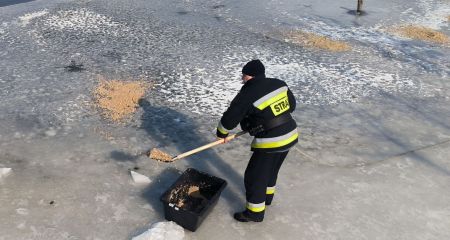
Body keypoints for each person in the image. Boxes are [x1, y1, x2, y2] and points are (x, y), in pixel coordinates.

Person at [216, 59, 298, 222]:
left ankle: (255, 212)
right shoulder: (279, 83)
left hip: (271, 141)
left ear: (250, 76)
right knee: (271, 169)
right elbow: (292, 106)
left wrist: (221, 133)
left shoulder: (248, 92)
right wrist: (264, 118)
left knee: (255, 176)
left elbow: (230, 117)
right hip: (290, 134)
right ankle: (267, 198)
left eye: (244, 76)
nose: (242, 79)